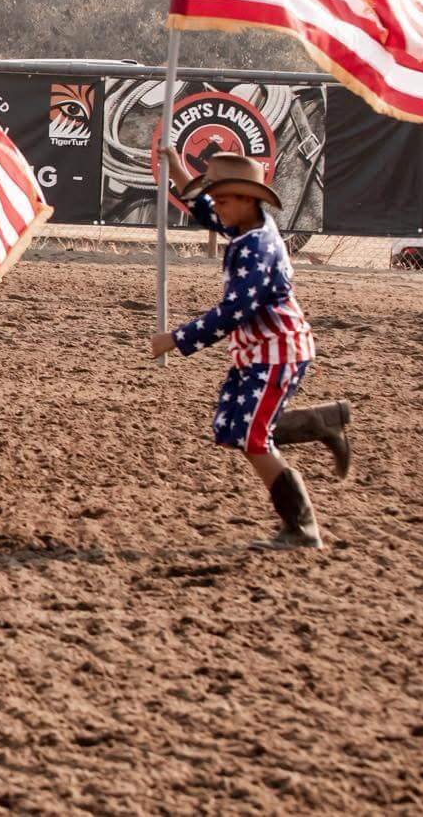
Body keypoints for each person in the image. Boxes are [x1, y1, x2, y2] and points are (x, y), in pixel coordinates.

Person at [149, 149, 351, 550]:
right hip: (258, 352)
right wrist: (175, 168)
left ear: (245, 199)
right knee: (231, 426)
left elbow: (235, 310)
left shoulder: (257, 246)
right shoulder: (247, 228)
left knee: (251, 437)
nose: (216, 208)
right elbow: (205, 211)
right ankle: (321, 423)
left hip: (278, 352)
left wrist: (178, 338)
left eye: (223, 200)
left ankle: (302, 526)